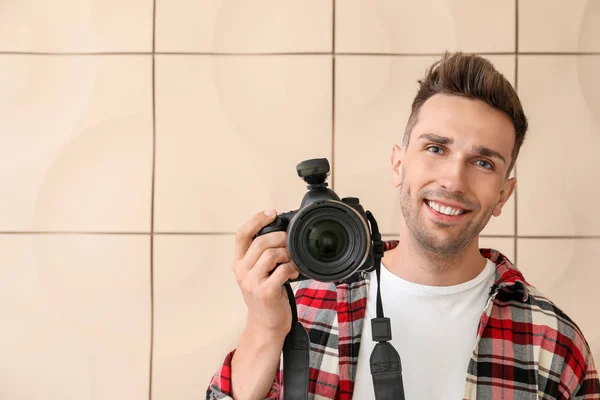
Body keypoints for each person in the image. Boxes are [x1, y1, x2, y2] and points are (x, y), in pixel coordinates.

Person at [206, 51, 599, 399]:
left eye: (483, 162)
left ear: (503, 195)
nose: (453, 181)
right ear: (398, 164)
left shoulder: (554, 341)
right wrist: (264, 329)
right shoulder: (304, 308)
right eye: (435, 148)